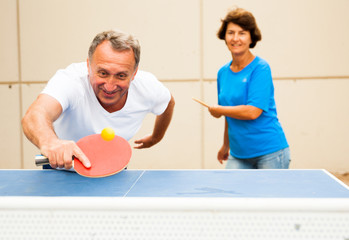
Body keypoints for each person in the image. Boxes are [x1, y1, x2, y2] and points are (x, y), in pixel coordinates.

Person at [22, 29, 175, 170]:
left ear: (134, 73)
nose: (110, 86)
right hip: (61, 170)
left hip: (112, 168)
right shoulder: (71, 81)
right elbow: (36, 114)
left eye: (121, 75)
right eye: (103, 73)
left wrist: (156, 137)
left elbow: (168, 103)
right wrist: (50, 143)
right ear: (88, 66)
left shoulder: (147, 87)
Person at [208, 8, 290, 169]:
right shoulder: (222, 73)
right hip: (238, 154)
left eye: (242, 33)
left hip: (270, 152)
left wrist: (221, 110)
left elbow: (253, 112)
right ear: (224, 36)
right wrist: (226, 145)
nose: (235, 38)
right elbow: (229, 114)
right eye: (231, 32)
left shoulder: (261, 68)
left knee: (269, 195)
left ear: (251, 37)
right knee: (230, 194)